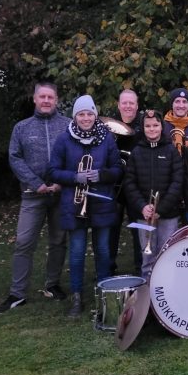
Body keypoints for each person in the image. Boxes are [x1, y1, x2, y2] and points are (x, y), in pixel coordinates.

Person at [0, 82, 70, 313]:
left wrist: (62, 181)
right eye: (42, 97)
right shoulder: (22, 127)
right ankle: (17, 293)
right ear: (35, 99)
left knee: (58, 241)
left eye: (50, 97)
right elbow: (15, 158)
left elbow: (75, 155)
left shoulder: (68, 125)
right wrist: (36, 183)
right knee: (24, 242)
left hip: (60, 193)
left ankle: (52, 284)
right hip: (32, 195)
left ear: (56, 100)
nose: (46, 101)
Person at [48, 95, 123, 317]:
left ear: (95, 115)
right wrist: (74, 177)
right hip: (75, 203)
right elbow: (52, 171)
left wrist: (102, 174)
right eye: (81, 114)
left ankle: (104, 294)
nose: (86, 118)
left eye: (90, 114)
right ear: (75, 116)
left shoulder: (106, 138)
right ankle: (77, 296)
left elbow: (118, 169)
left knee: (103, 250)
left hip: (101, 201)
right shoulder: (64, 139)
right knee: (77, 252)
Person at [124, 110, 184, 278]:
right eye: (148, 126)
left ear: (161, 127)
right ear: (143, 128)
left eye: (155, 125)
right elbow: (129, 183)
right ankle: (147, 289)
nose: (152, 129)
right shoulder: (137, 152)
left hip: (168, 214)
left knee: (167, 254)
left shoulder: (171, 150)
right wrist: (142, 206)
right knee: (147, 256)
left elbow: (177, 182)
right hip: (144, 214)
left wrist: (161, 209)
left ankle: (167, 289)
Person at [107, 89, 142, 275]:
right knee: (111, 229)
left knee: (138, 229)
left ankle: (141, 270)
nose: (128, 106)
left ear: (137, 106)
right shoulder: (108, 127)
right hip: (115, 188)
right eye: (124, 103)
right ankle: (108, 269)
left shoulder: (143, 128)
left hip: (136, 188)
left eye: (131, 103)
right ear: (119, 105)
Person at [163, 87, 188, 155]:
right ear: (172, 104)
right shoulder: (162, 127)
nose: (181, 105)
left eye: (184, 102)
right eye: (177, 101)